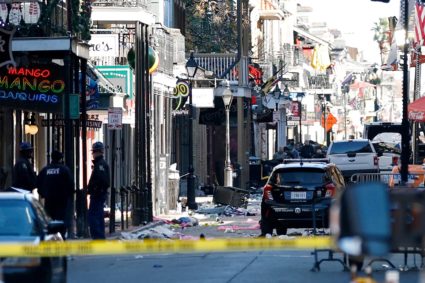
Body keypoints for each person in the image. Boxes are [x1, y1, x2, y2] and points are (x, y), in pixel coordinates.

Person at [37, 150, 74, 238]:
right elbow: (71, 185)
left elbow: (38, 183)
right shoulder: (65, 170)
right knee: (61, 222)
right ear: (60, 159)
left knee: (50, 222)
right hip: (62, 202)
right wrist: (68, 196)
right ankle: (61, 238)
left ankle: (51, 238)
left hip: (49, 202)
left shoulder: (45, 170)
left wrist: (43, 194)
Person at [87, 141, 110, 239]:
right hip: (98, 194)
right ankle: (99, 236)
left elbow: (102, 180)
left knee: (94, 216)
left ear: (99, 152)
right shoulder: (99, 164)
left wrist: (95, 189)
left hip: (97, 195)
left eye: (94, 152)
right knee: (97, 216)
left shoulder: (100, 165)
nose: (93, 154)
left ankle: (98, 236)